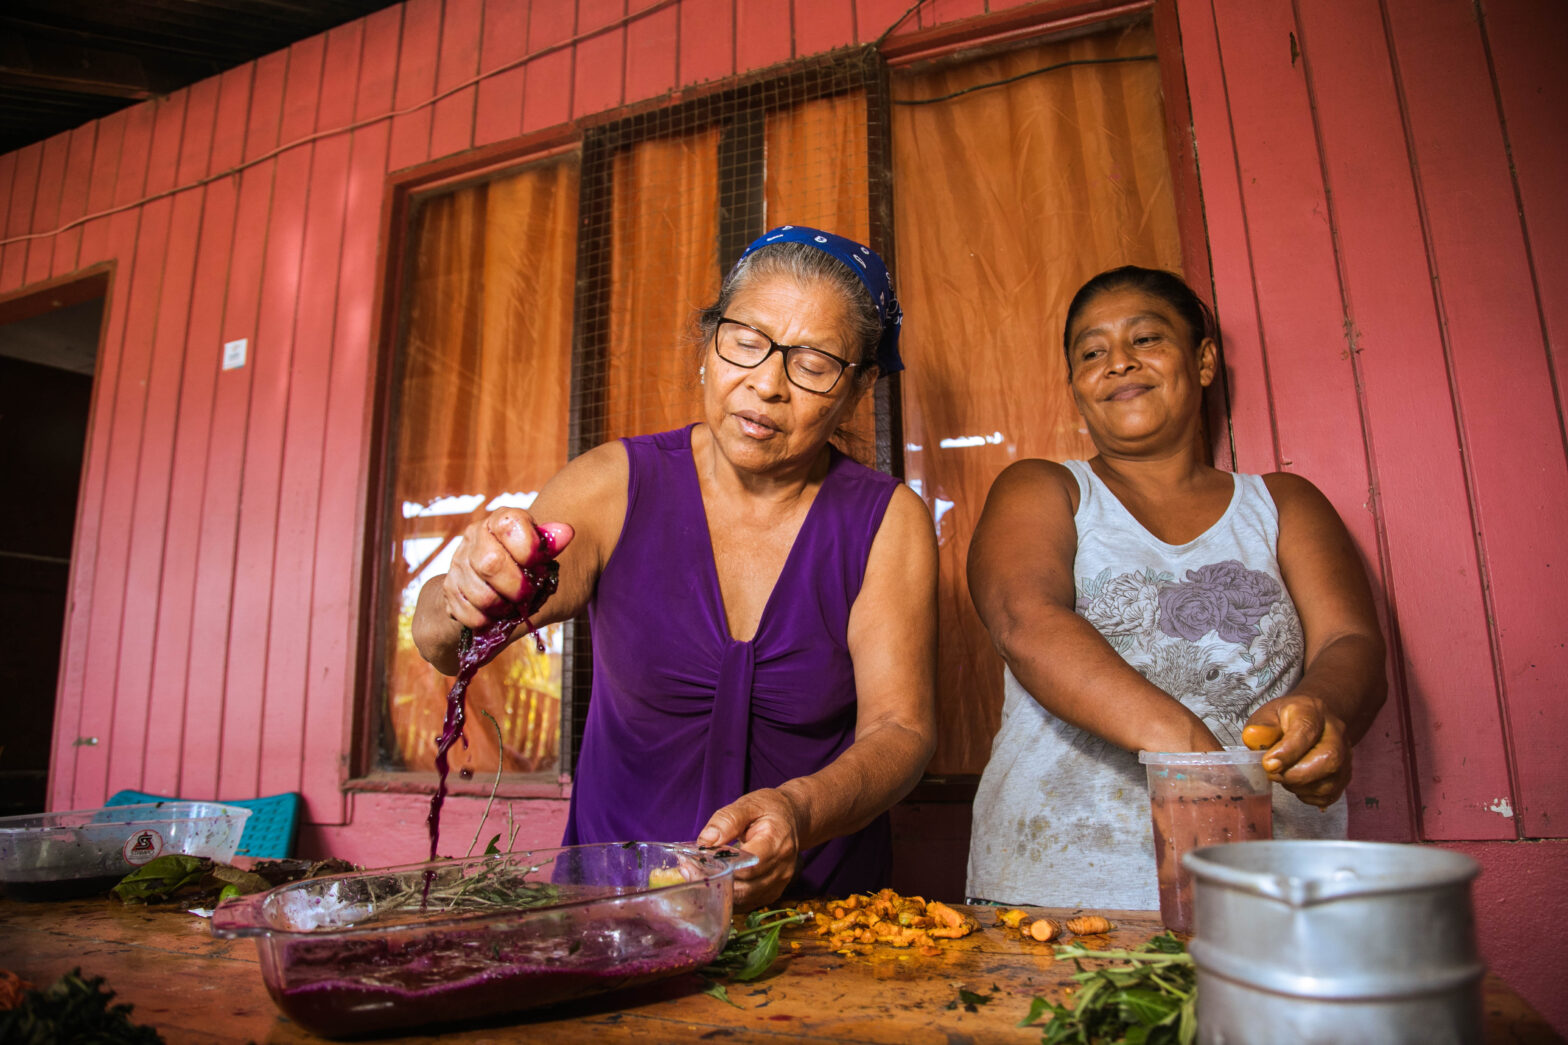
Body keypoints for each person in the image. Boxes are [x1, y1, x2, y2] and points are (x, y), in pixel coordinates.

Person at [412, 226, 938, 909]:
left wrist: (798, 811)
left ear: (859, 385)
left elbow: (902, 730)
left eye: (812, 363)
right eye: (746, 341)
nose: (767, 383)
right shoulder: (613, 485)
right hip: (611, 913)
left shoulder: (885, 520)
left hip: (818, 923)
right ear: (708, 342)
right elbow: (446, 642)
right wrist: (464, 593)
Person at [964, 265, 1386, 909]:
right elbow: (1026, 622)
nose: (1118, 363)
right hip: (1058, 886)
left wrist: (1321, 713)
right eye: (1092, 352)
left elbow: (1351, 641)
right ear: (1076, 387)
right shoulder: (1044, 489)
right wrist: (1195, 753)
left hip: (1263, 887)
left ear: (1205, 360)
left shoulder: (1283, 504)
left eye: (1146, 339)